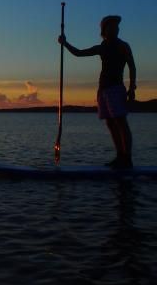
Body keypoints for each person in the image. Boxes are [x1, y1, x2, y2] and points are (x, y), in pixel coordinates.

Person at [58, 15, 137, 169]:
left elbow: (132, 67)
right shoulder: (102, 47)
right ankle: (120, 156)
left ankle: (127, 159)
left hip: (116, 88)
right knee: (110, 122)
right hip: (103, 90)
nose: (116, 29)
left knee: (120, 122)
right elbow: (79, 53)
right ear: (104, 30)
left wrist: (132, 88)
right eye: (112, 27)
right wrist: (65, 43)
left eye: (117, 27)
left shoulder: (123, 46)